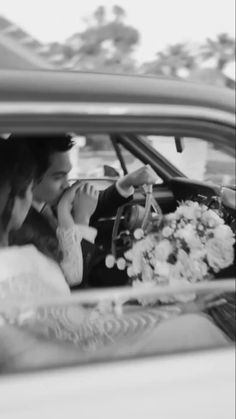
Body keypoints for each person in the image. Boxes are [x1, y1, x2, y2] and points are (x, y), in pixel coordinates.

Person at [9, 134, 159, 288]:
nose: (67, 184)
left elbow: (90, 203)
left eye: (67, 174)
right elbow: (73, 279)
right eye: (58, 177)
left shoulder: (46, 201)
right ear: (29, 177)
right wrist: (82, 219)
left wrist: (126, 182)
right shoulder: (19, 228)